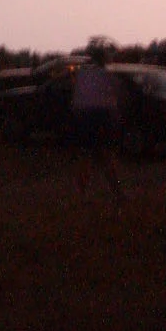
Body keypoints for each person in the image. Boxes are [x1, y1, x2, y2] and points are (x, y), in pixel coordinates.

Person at [69, 37, 125, 205]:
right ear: (105, 59)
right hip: (100, 118)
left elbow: (76, 96)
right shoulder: (107, 76)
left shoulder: (83, 74)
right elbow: (115, 98)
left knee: (86, 157)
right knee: (106, 157)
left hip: (83, 118)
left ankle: (81, 193)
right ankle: (116, 192)